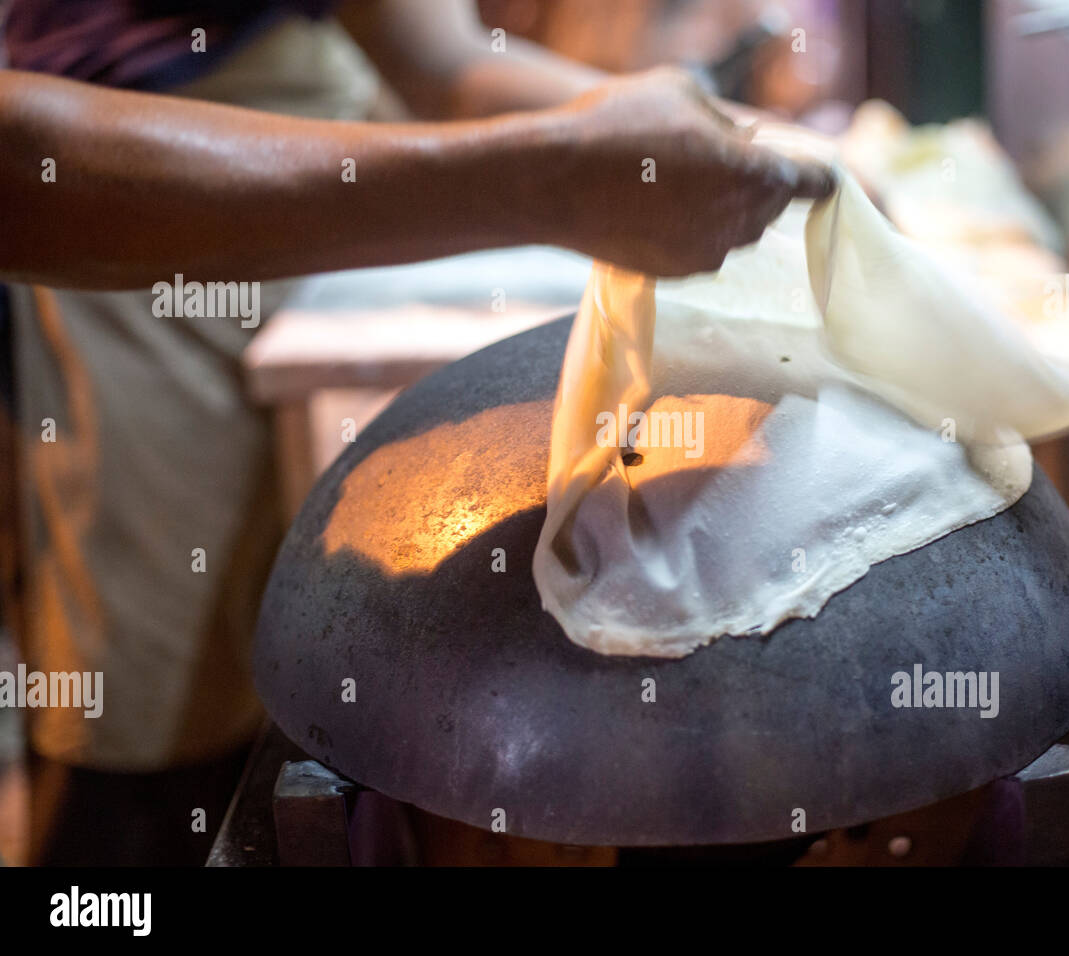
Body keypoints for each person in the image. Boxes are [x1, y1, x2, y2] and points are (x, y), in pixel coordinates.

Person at [0, 0, 832, 864]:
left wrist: (738, 142)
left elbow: (446, 64)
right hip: (143, 230)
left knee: (311, 699)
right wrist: (535, 181)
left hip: (332, 217)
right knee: (164, 746)